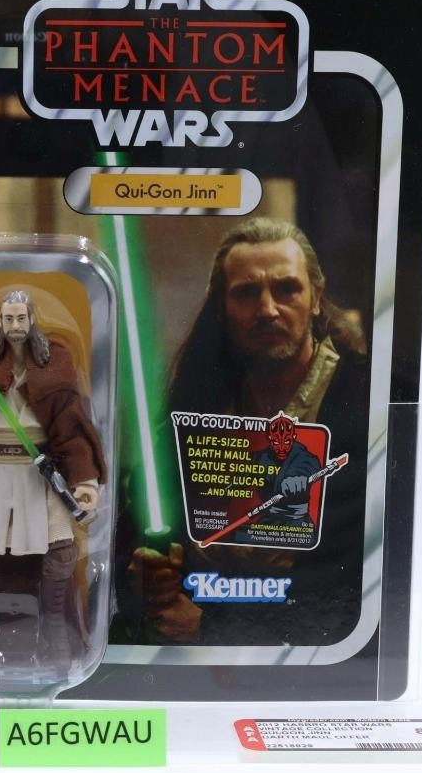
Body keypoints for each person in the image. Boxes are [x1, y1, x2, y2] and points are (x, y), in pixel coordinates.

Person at [127, 217, 369, 645]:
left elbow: (350, 587)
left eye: (287, 289)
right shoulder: (198, 401)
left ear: (316, 299)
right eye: (246, 292)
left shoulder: (366, 403)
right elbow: (139, 531)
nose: (268, 309)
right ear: (220, 307)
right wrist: (151, 570)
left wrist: (217, 626)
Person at [0, 289, 106, 670]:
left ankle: (57, 632)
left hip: (40, 472)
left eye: (21, 318)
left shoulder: (55, 363)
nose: (15, 325)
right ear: (0, 323)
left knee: (61, 553)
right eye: (8, 318)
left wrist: (83, 480)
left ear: (31, 320)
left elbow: (70, 422)